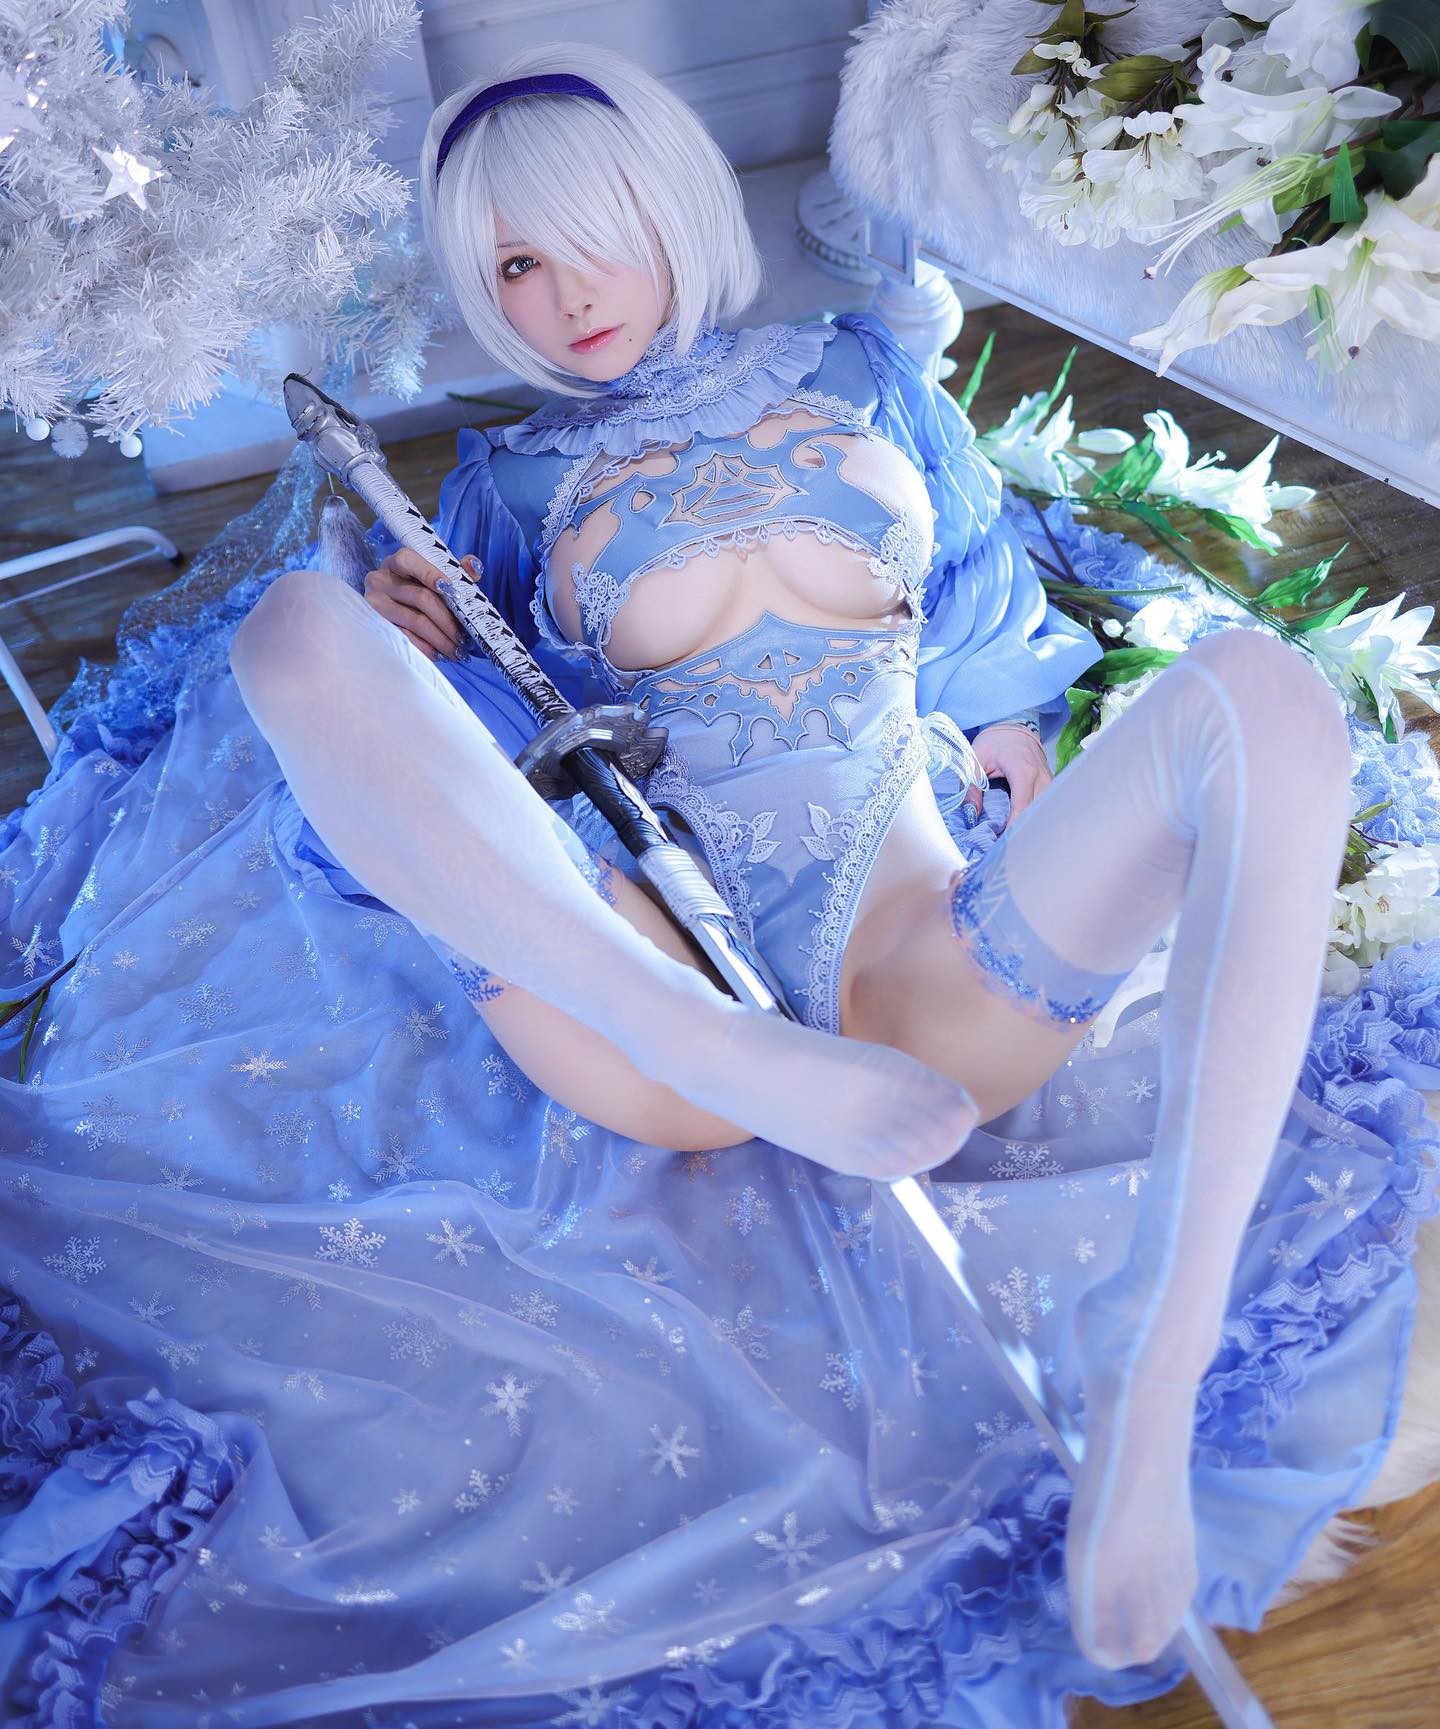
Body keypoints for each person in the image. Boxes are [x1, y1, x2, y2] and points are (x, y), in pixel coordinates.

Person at [2, 40, 1435, 1729]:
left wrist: (1009, 727)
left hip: (928, 969)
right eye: (511, 268)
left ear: (673, 205)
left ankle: (1152, 1370)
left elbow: (978, 601)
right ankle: (749, 1058)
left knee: (1265, 691)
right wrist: (429, 657)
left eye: (586, 238)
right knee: (298, 628)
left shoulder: (863, 371)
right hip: (660, 1010)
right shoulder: (496, 488)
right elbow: (488, 791)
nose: (558, 298)